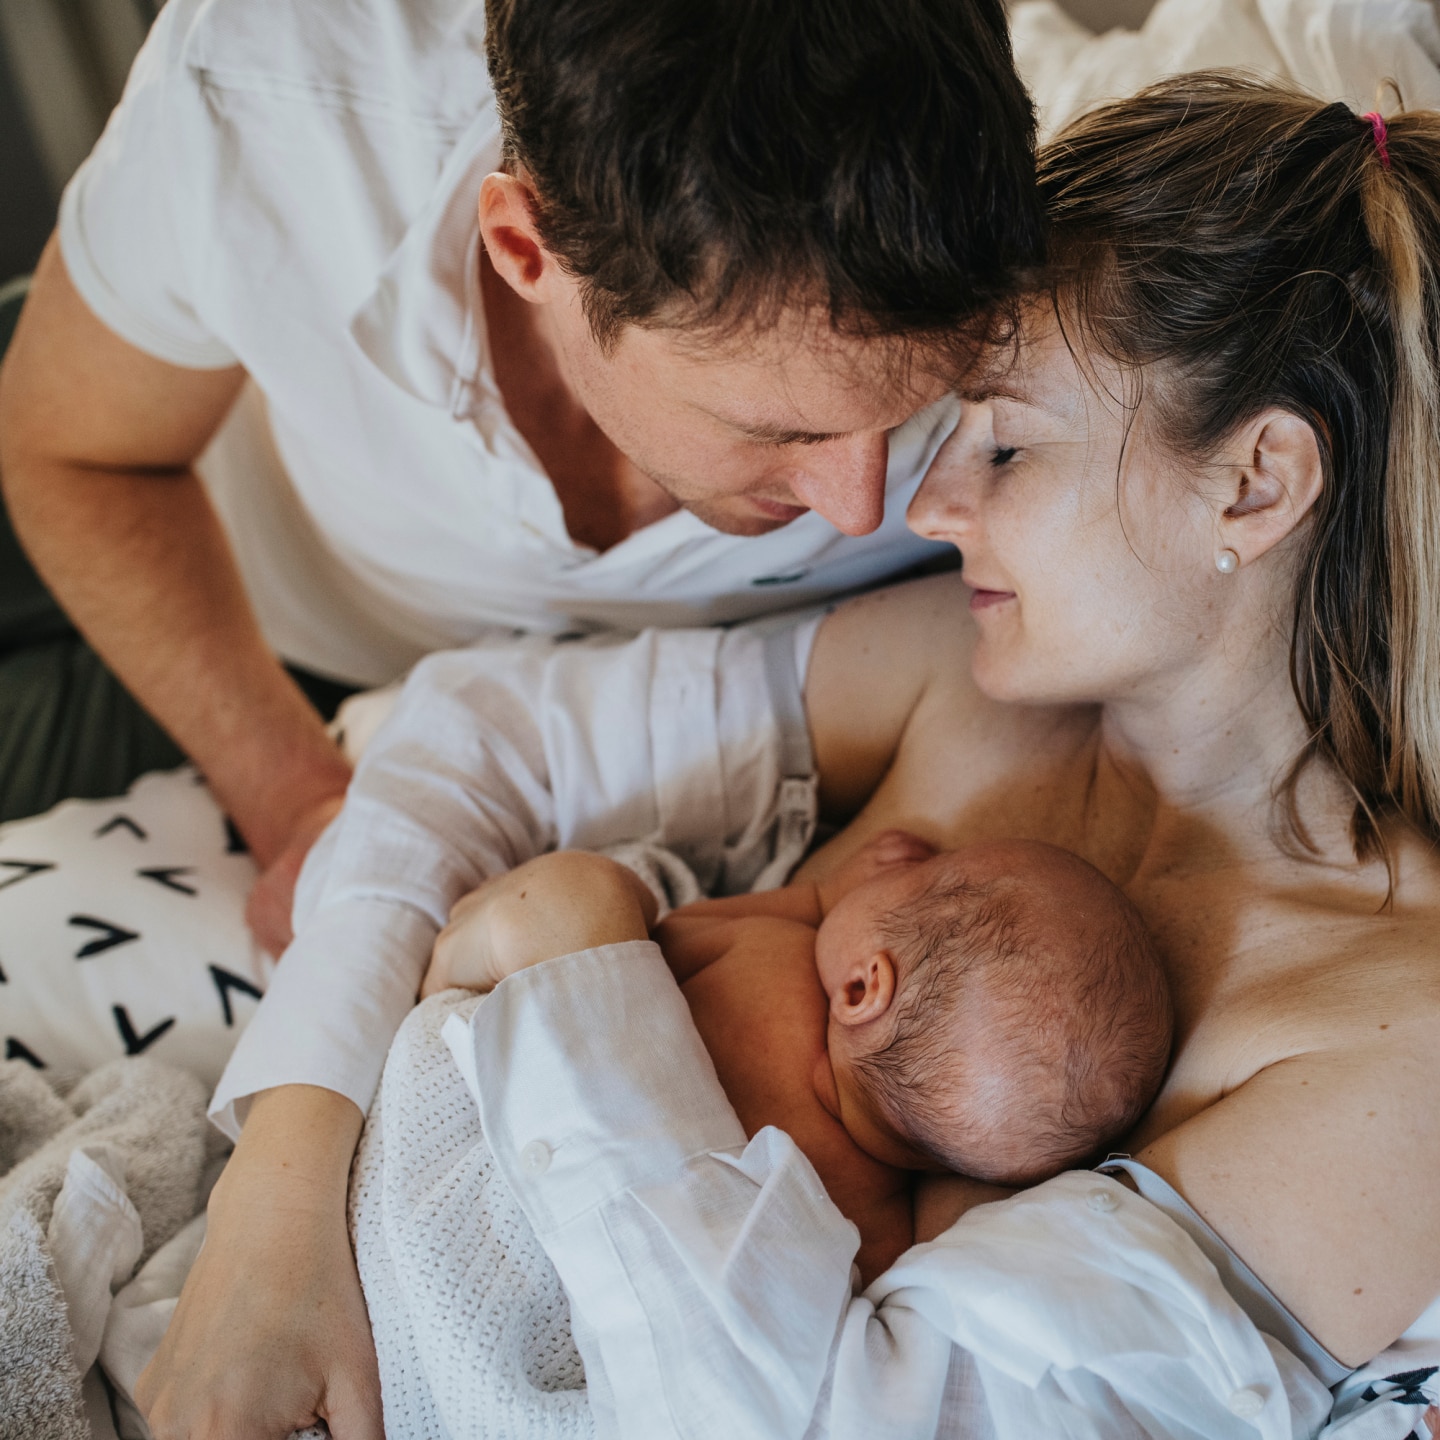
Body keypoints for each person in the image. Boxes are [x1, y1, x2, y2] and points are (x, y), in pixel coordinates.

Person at [143, 74, 1440, 1437]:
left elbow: (853, 1420)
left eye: (1007, 444)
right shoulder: (979, 681)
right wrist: (278, 1208)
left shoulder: (1387, 1056)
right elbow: (484, 733)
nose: (923, 506)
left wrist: (579, 962)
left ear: (1255, 483)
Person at [0, 0, 1041, 959]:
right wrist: (296, 801)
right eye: (780, 429)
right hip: (229, 605)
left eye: (912, 410)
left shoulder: (1066, 286)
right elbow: (76, 455)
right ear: (524, 247)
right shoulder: (263, 99)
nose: (861, 506)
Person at [427, 831, 1172, 1282]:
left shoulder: (770, 957)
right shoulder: (875, 1228)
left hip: (496, 1123)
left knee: (590, 896)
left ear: (863, 986)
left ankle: (443, 974)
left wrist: (821, 896)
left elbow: (650, 943)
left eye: (914, 881)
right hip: (570, 1245)